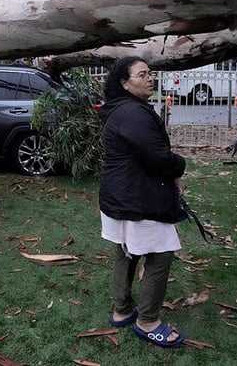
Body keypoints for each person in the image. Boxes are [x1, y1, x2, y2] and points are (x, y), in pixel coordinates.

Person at [98, 56, 187, 348]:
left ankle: (122, 310)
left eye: (150, 73)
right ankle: (148, 321)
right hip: (138, 200)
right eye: (142, 75)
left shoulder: (122, 109)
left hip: (122, 195)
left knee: (126, 251)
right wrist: (179, 166)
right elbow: (158, 157)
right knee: (161, 255)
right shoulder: (133, 114)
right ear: (125, 83)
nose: (150, 78)